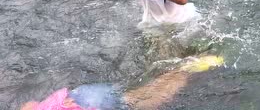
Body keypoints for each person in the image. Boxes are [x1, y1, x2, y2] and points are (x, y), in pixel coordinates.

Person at [20, 56, 224, 110]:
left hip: (94, 105)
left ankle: (187, 69)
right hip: (76, 95)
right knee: (140, 92)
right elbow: (28, 106)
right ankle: (181, 68)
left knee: (148, 99)